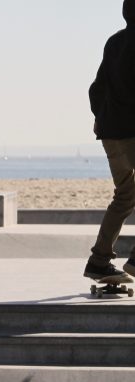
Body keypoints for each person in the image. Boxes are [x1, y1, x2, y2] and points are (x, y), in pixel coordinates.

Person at [86, 0, 135, 280]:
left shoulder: (114, 42)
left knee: (125, 196)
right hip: (131, 131)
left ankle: (99, 261)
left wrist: (100, 117)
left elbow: (96, 88)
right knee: (126, 196)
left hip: (109, 132)